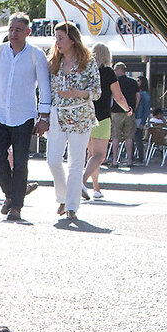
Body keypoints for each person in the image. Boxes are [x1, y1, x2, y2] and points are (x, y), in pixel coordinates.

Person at [0, 13, 52, 222]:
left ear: (28, 32)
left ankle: (16, 206)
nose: (13, 33)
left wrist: (44, 117)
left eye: (18, 30)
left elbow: (44, 87)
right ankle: (12, 193)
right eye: (11, 29)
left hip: (24, 115)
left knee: (20, 162)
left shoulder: (36, 55)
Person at [44, 22, 100, 222]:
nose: (57, 42)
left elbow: (97, 91)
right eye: (56, 38)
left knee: (76, 163)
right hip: (57, 114)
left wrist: (79, 93)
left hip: (80, 116)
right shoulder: (52, 62)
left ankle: (72, 206)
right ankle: (63, 196)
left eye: (61, 38)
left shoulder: (88, 62)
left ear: (73, 40)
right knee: (53, 159)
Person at [82, 42, 131, 200]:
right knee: (99, 155)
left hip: (84, 115)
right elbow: (118, 97)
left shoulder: (86, 70)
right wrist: (127, 108)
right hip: (101, 117)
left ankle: (96, 189)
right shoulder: (108, 72)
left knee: (91, 155)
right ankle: (81, 181)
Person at [108, 62, 138, 168]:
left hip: (115, 113)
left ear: (119, 70)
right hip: (129, 113)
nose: (115, 72)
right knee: (129, 137)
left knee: (115, 137)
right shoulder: (133, 82)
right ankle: (129, 161)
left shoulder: (115, 82)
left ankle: (115, 161)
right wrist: (133, 109)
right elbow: (137, 96)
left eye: (115, 70)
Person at [133, 75, 151, 162]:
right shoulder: (138, 93)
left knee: (138, 139)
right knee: (134, 138)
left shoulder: (144, 94)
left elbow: (146, 109)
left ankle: (140, 157)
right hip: (136, 117)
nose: (137, 83)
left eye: (138, 81)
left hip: (139, 118)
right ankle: (135, 156)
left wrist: (143, 123)